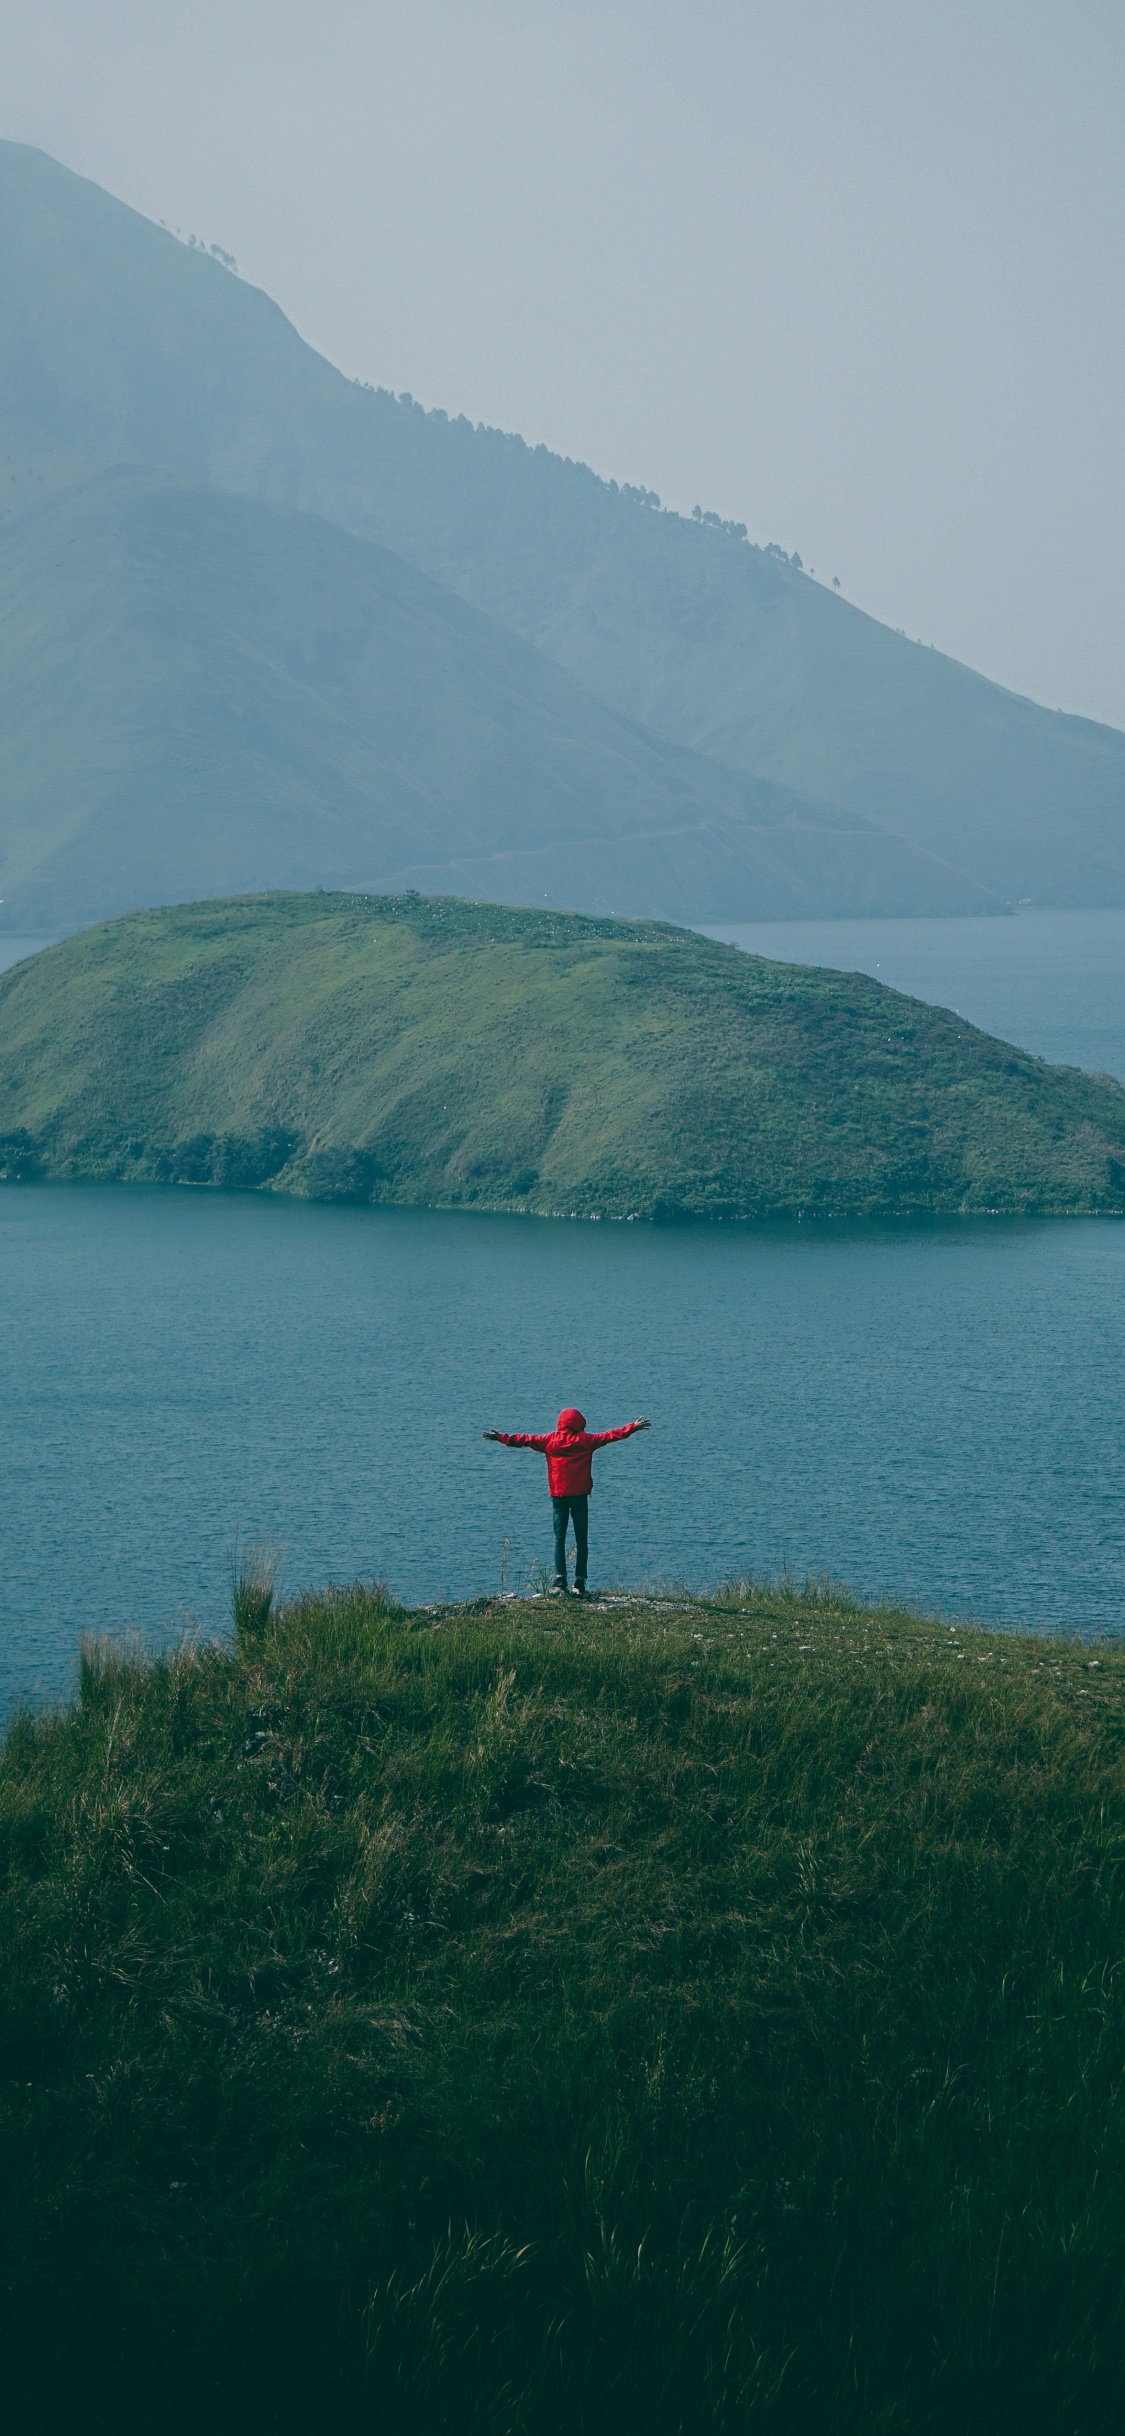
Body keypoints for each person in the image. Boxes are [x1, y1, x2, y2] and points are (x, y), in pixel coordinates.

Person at [483, 1407, 651, 1595]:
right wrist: (632, 1427)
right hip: (580, 1497)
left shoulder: (549, 1441)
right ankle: (580, 1583)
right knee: (582, 1540)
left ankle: (560, 1580)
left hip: (559, 1497)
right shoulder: (586, 1441)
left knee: (559, 1539)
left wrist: (501, 1438)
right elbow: (611, 1435)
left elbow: (525, 1440)